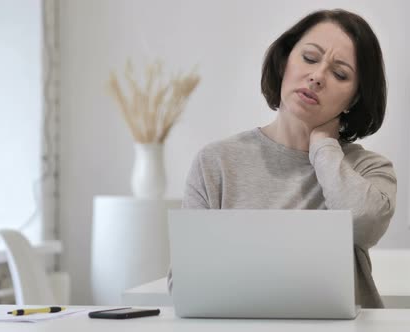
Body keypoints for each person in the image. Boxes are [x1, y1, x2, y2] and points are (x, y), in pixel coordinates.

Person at [169, 8, 396, 308]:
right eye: (310, 58)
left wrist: (323, 146)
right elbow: (185, 281)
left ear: (353, 98)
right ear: (285, 60)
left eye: (340, 74)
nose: (317, 77)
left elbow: (364, 226)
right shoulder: (216, 162)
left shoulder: (368, 169)